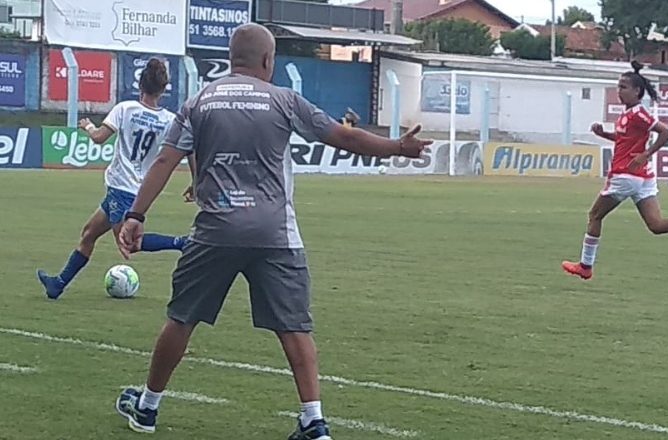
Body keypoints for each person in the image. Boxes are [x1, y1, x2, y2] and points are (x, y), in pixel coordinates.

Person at [112, 23, 431, 439]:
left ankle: (148, 407)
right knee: (295, 327)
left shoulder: (199, 102)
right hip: (275, 233)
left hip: (215, 232)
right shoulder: (284, 99)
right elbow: (341, 136)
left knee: (181, 318)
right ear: (268, 60)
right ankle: (314, 421)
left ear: (231, 59)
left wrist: (136, 215)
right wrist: (396, 148)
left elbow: (164, 162)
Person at [37, 59, 191, 300]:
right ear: (164, 89)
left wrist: (88, 126)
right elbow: (189, 148)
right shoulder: (170, 120)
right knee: (88, 233)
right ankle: (58, 284)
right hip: (133, 189)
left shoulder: (125, 108)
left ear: (140, 85)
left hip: (122, 187)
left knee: (130, 243)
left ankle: (182, 243)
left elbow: (99, 137)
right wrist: (195, 181)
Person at [562, 61, 668, 281]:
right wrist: (604, 134)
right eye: (618, 87)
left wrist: (646, 154)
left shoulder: (638, 113)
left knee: (594, 215)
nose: (619, 91)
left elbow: (666, 132)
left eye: (624, 87)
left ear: (637, 91)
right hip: (643, 178)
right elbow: (624, 139)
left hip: (625, 174)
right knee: (655, 225)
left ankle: (585, 266)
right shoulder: (627, 114)